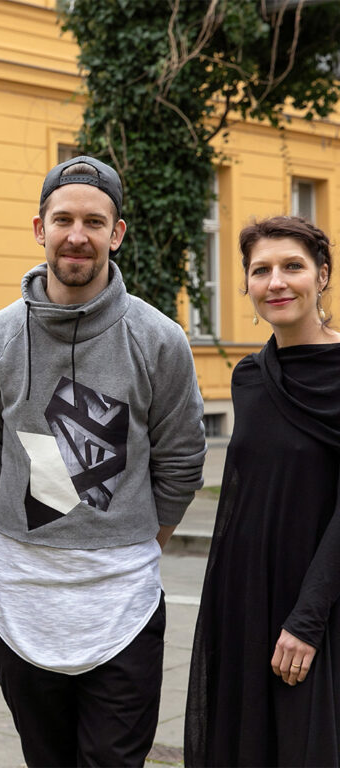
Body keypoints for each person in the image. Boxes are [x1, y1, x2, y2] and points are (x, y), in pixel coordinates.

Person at [0, 155, 206, 767]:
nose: (78, 235)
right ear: (39, 228)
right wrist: (23, 525)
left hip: (121, 598)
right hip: (21, 592)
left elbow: (182, 455)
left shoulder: (159, 339)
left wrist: (141, 533)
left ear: (117, 233)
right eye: (64, 219)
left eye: (94, 222)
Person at [185, 216, 340, 767]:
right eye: (261, 270)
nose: (276, 281)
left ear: (322, 276)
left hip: (320, 601)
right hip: (247, 596)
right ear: (247, 285)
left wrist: (306, 620)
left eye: (292, 266)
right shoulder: (249, 377)